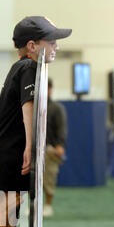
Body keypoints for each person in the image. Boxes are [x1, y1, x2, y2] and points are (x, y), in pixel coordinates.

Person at [0, 16, 72, 227]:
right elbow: (27, 108)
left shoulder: (23, 66)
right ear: (32, 46)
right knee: (3, 216)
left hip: (4, 153)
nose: (56, 46)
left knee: (9, 217)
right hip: (6, 154)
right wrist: (31, 148)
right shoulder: (29, 66)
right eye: (51, 41)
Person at [43, 78, 68, 218]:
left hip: (50, 150)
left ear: (50, 89)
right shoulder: (32, 106)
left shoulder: (56, 108)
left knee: (49, 178)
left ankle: (48, 206)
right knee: (32, 179)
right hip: (35, 149)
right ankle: (33, 205)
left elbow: (61, 129)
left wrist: (60, 145)